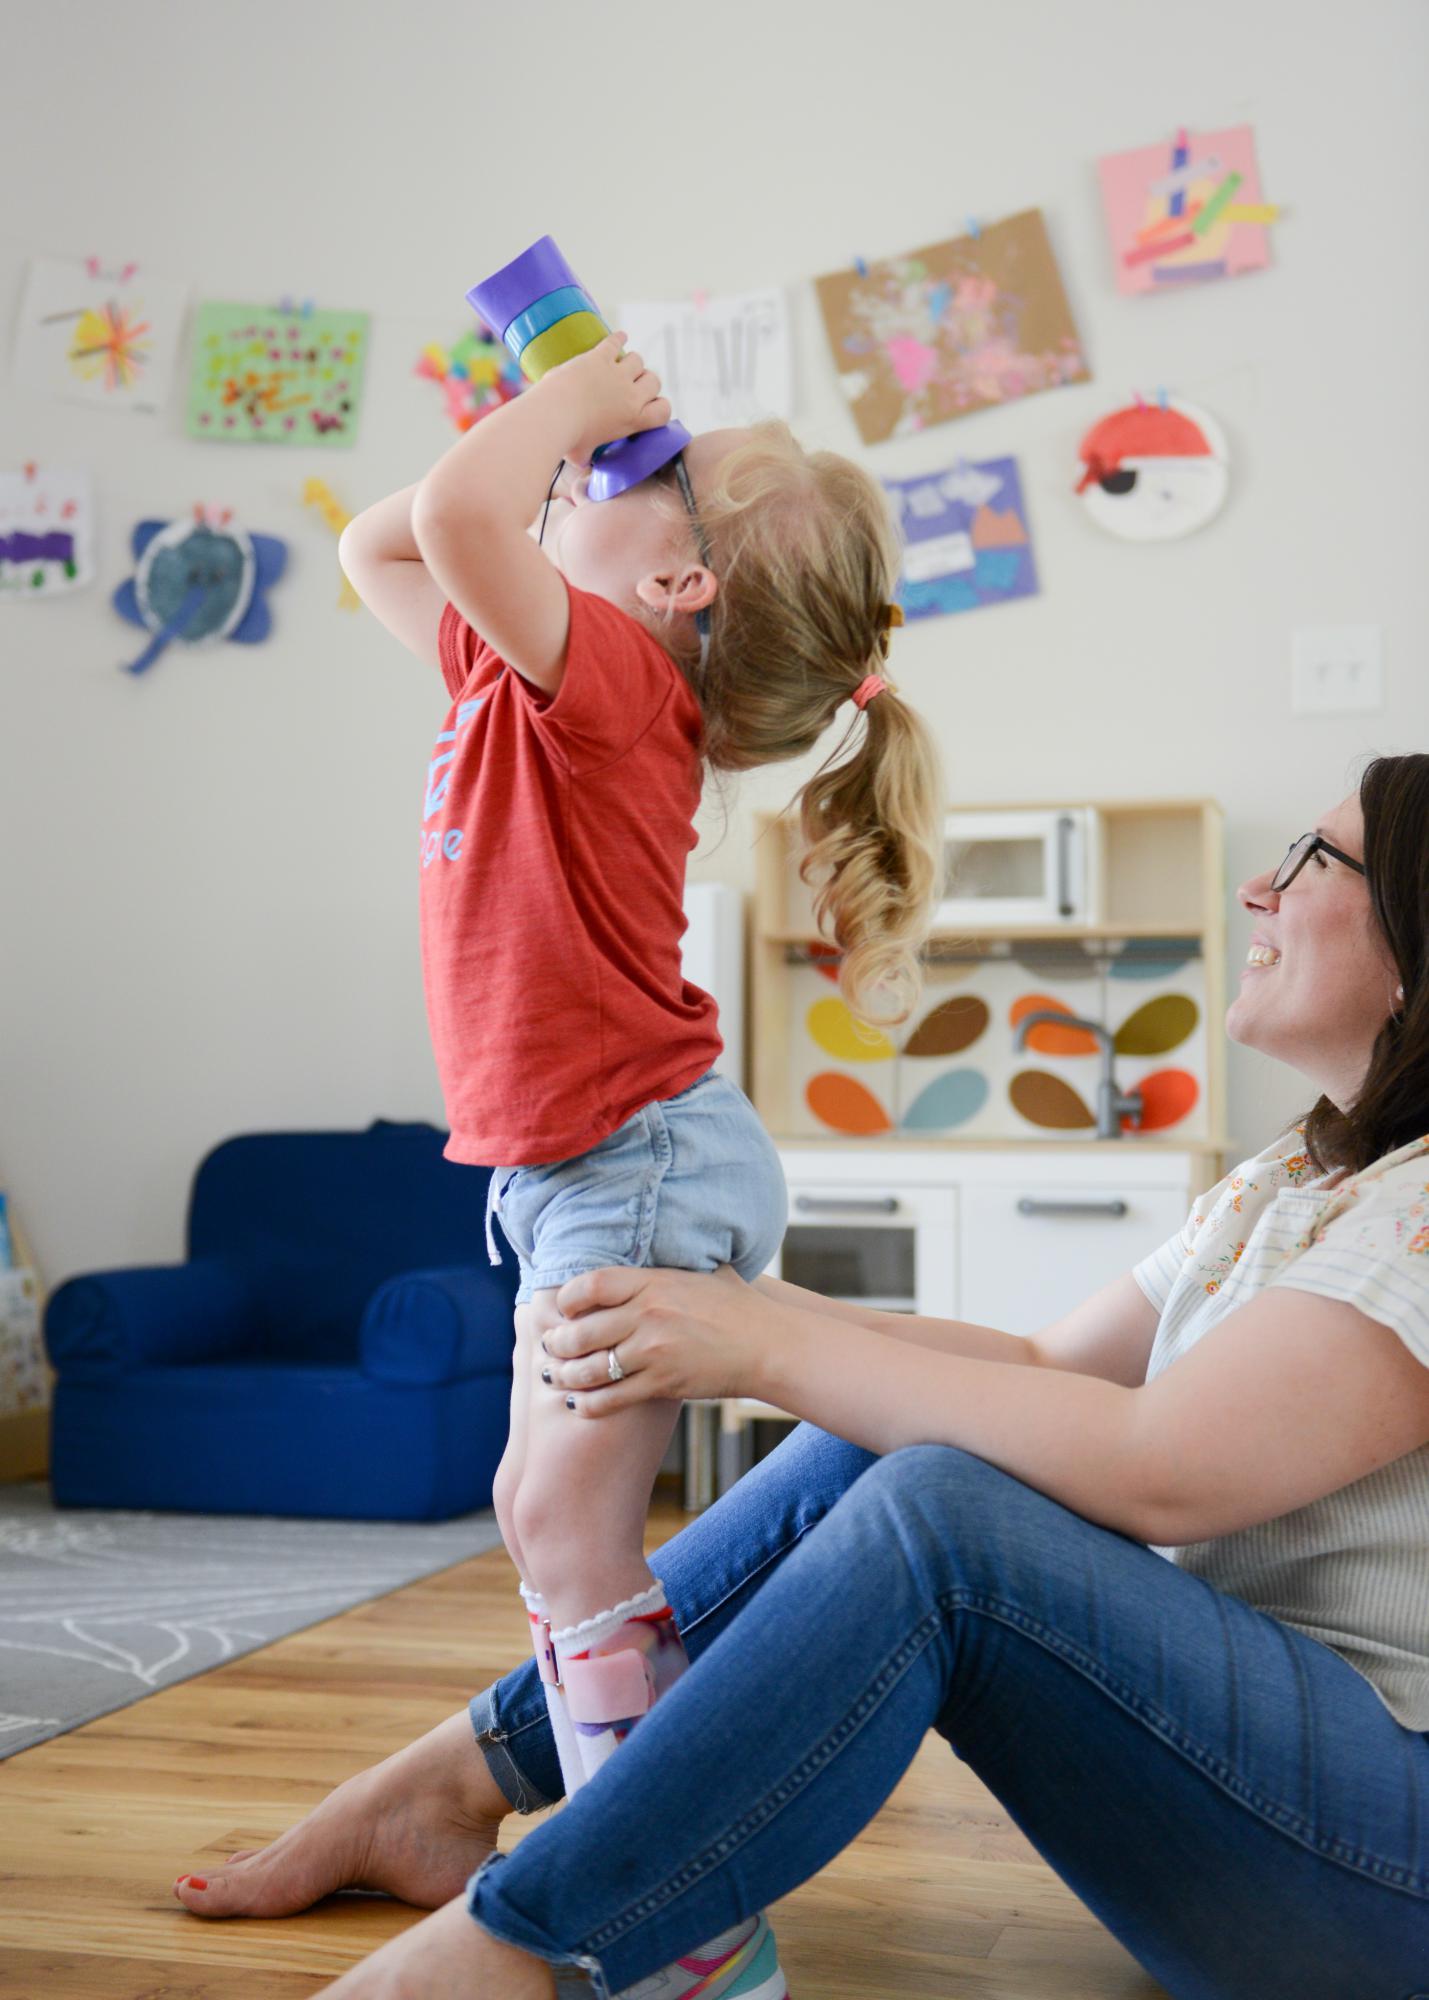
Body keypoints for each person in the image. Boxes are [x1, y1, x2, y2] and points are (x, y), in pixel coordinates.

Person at [175, 755, 1429, 1998]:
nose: (1262, 884)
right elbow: (1045, 1363)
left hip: (1388, 1864)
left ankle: (522, 1948)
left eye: (1316, 857)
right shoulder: (1297, 1179)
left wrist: (764, 1346)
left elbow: (1164, 1465)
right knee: (879, 1445)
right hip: (1270, 1795)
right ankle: (448, 1781)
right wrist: (745, 1305)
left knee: (947, 1519)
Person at [196, 331, 940, 1998]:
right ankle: (636, 1875)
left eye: (654, 473)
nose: (614, 468)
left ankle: (684, 1917)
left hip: (634, 1163)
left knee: (567, 1528)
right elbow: (381, 543)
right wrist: (579, 455)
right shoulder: (524, 677)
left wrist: (571, 419)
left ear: (670, 576)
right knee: (548, 1521)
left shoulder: (605, 678)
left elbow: (462, 516)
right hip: (583, 1168)